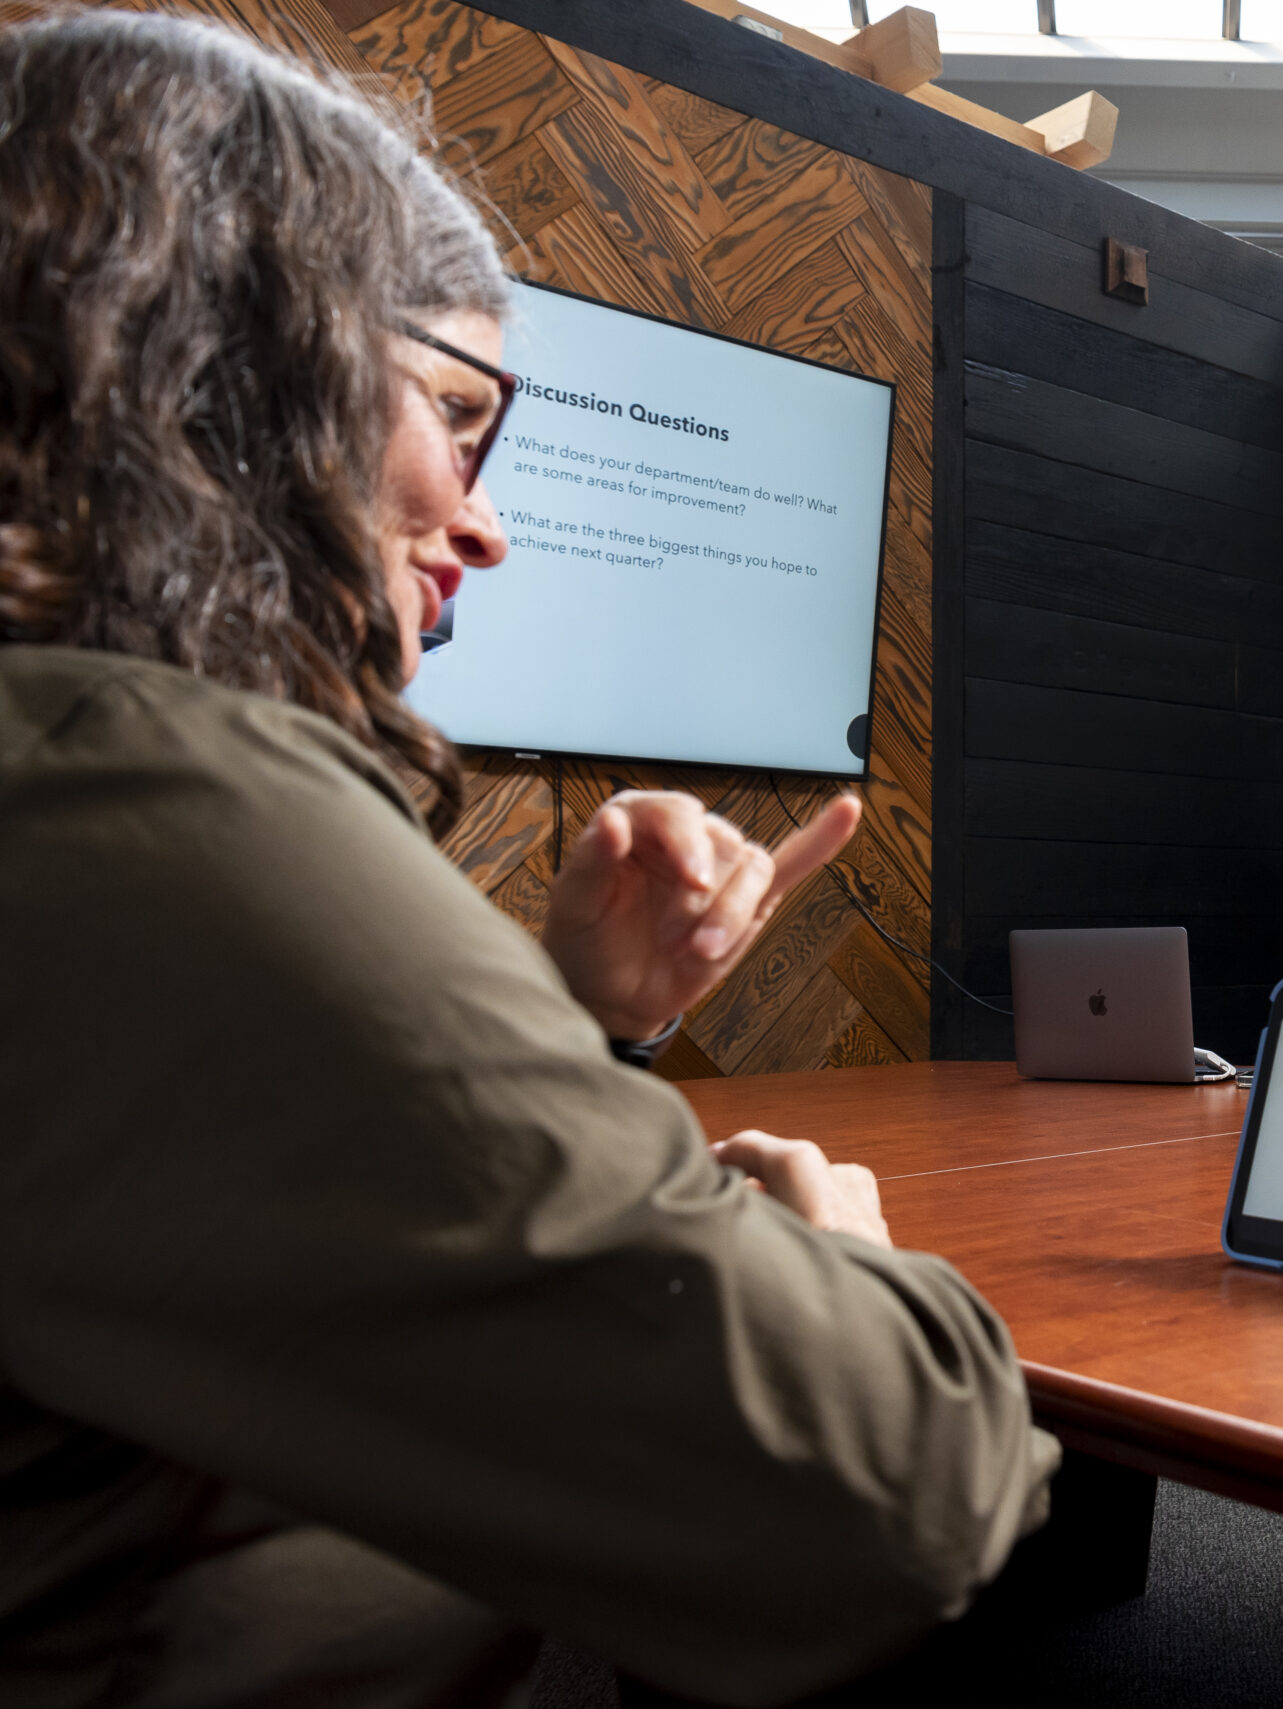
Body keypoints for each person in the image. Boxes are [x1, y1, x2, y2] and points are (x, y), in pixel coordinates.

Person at [0, 15, 1053, 1708]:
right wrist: (853, 1257)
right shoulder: (138, 788)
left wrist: (575, 1013)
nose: (490, 521)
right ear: (221, 354)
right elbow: (899, 1488)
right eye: (455, 411)